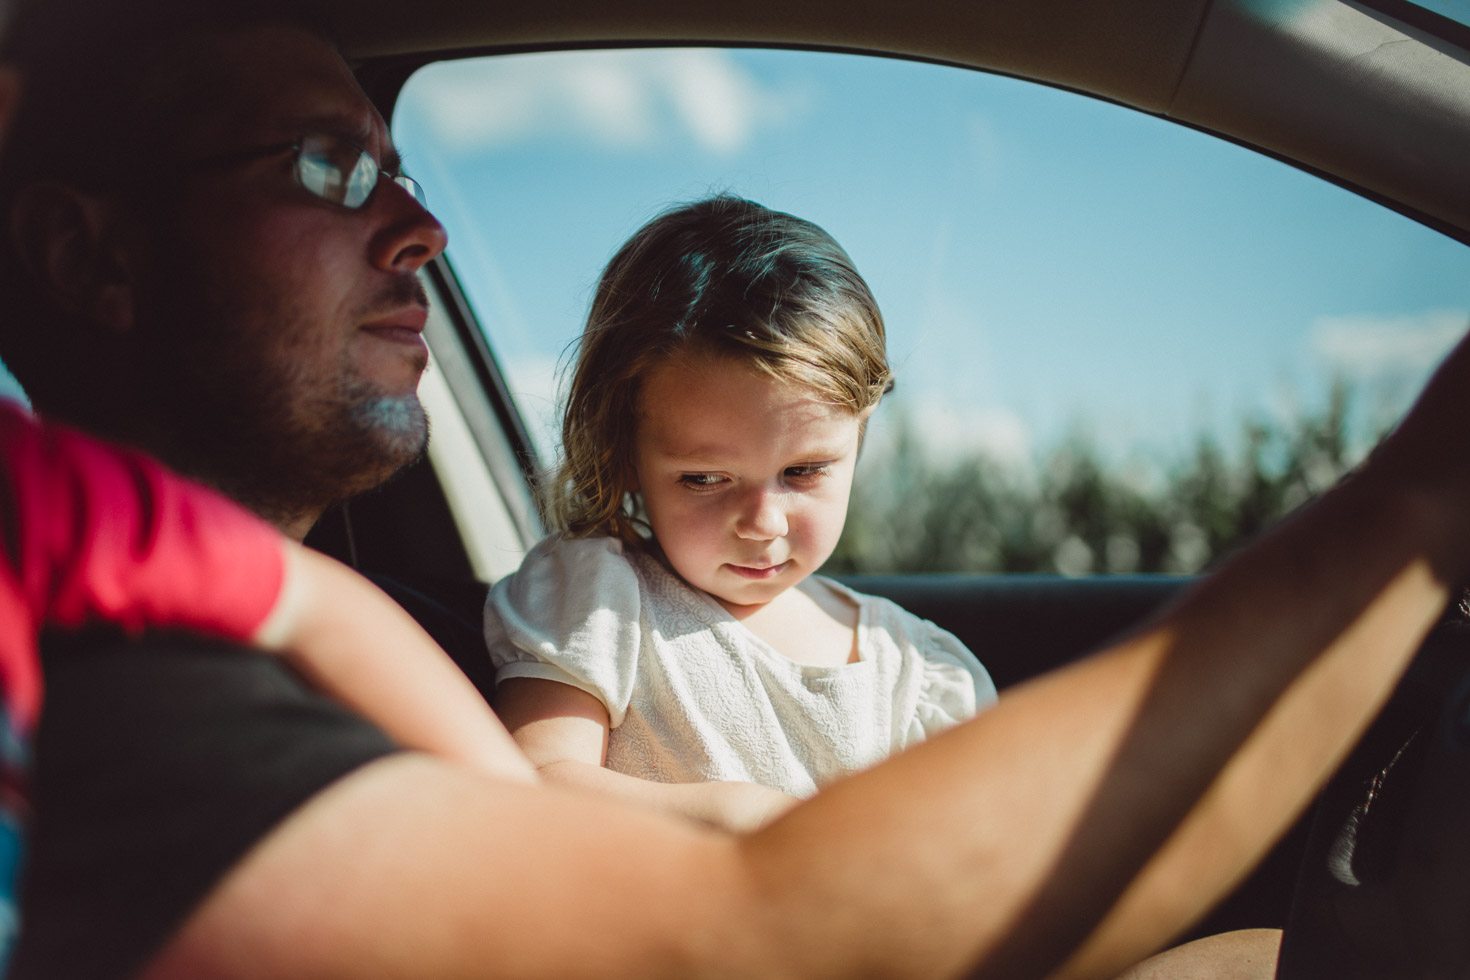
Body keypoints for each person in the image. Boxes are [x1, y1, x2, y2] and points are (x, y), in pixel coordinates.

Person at [1, 2, 1469, 978]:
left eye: (398, 167)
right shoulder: (79, 630)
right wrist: (1411, 506)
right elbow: (721, 913)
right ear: (87, 255)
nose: (424, 228)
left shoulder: (236, 583)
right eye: (328, 170)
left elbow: (513, 793)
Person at [486, 196, 995, 832]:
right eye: (704, 479)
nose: (763, 522)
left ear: (858, 435)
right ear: (626, 456)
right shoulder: (602, 602)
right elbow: (531, 785)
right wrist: (738, 817)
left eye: (804, 472)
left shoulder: (917, 672)